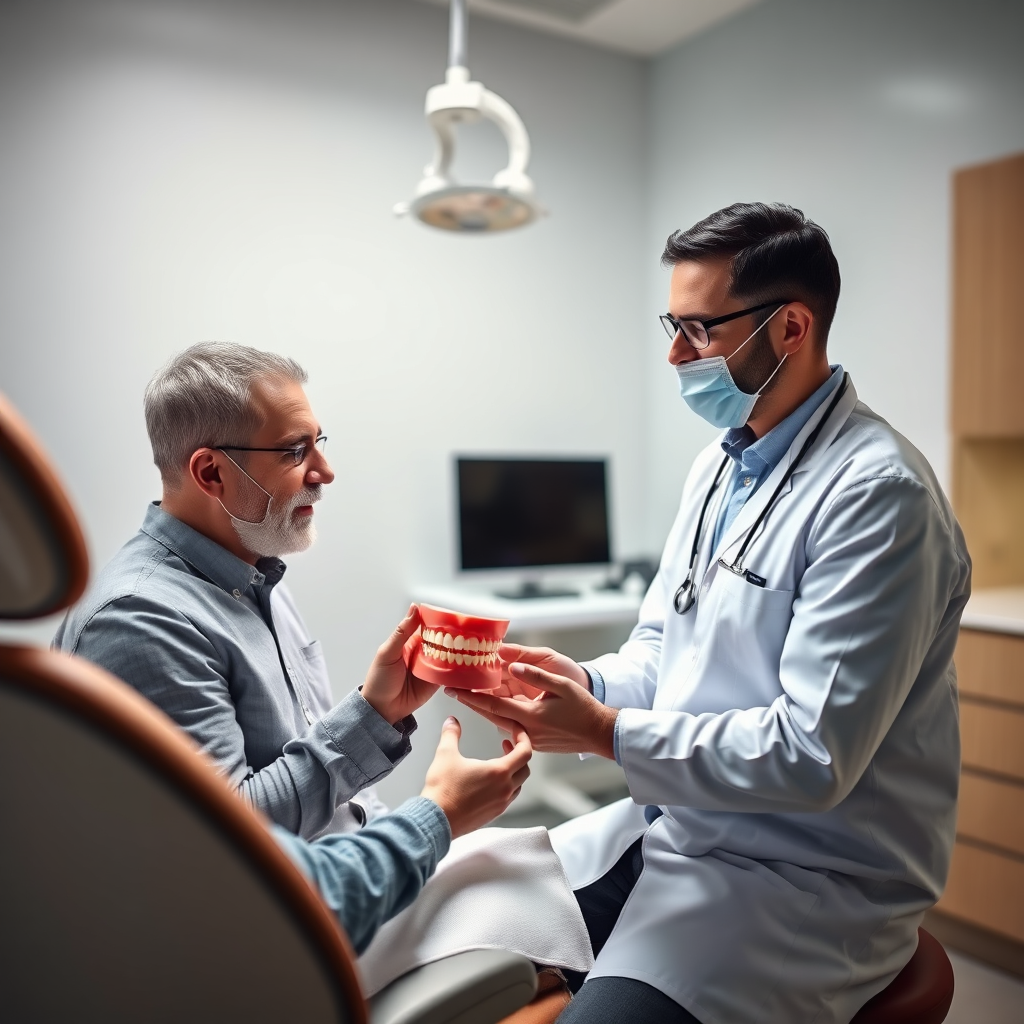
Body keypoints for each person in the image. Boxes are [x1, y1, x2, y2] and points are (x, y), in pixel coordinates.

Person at [449, 203, 971, 1024]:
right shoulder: (721, 469)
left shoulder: (878, 496)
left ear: (791, 327)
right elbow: (666, 651)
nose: (674, 354)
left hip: (804, 881)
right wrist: (573, 682)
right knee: (435, 910)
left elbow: (811, 755)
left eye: (698, 331)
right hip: (684, 830)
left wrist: (601, 732)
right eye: (673, 325)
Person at [54, 342, 438, 839]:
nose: (325, 471)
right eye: (295, 451)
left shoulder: (257, 575)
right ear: (211, 472)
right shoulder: (137, 619)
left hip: (357, 868)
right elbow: (225, 842)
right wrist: (381, 728)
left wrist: (398, 838)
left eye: (319, 441)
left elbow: (333, 793)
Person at [275, 715, 531, 954]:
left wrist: (378, 707)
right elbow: (315, 901)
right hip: (345, 945)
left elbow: (357, 809)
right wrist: (440, 811)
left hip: (378, 876)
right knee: (527, 879)